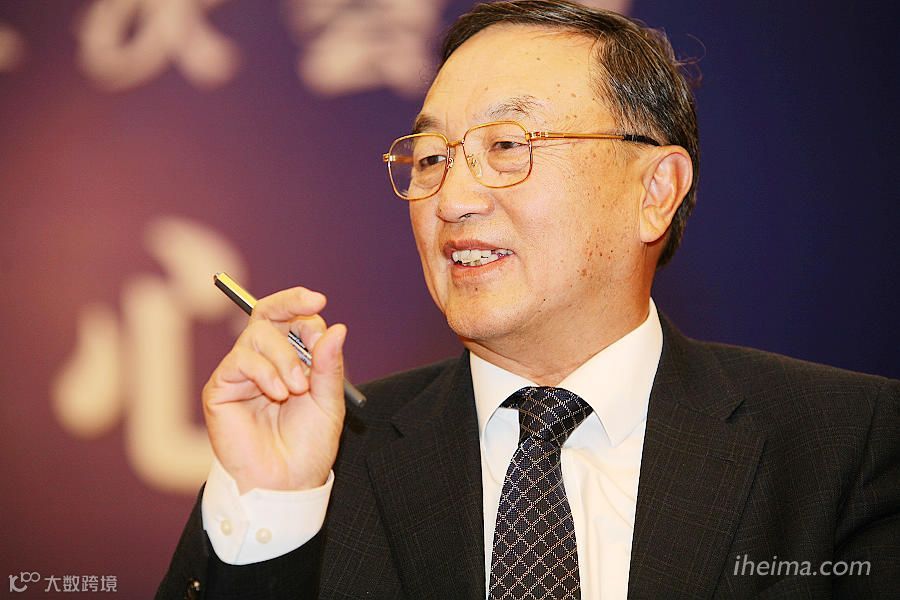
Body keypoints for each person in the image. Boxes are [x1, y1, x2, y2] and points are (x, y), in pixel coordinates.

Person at [156, 1, 899, 598]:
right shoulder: (332, 461)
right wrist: (274, 505)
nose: (452, 198)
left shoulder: (847, 443)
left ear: (655, 190)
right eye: (432, 157)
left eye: (507, 146)